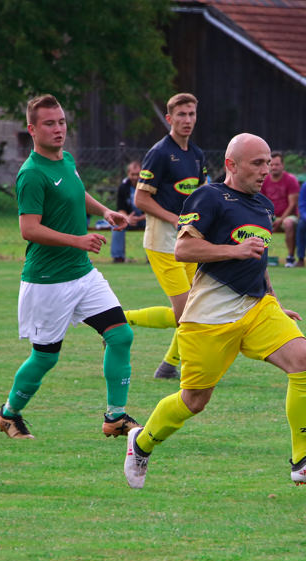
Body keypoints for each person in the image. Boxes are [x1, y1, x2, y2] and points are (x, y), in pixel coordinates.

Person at [123, 133, 306, 488]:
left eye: (268, 161)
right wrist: (234, 251)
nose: (267, 168)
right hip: (209, 318)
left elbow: (258, 261)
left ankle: (302, 460)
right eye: (257, 162)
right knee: (194, 401)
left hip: (257, 309)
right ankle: (142, 441)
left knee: (304, 362)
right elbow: (183, 250)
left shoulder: (263, 206)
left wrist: (274, 300)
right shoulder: (209, 196)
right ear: (232, 164)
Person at [0, 94, 139, 439]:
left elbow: (76, 193)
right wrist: (78, 239)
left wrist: (104, 211)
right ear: (32, 129)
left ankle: (115, 418)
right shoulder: (31, 174)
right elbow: (28, 228)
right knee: (45, 358)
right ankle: (9, 414)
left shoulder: (67, 159)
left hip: (83, 273)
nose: (58, 129)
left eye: (61, 122)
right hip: (48, 280)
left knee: (120, 335)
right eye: (49, 123)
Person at [123, 93, 208, 379]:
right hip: (162, 244)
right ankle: (121, 320)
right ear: (170, 119)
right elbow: (141, 199)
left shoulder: (197, 155)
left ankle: (168, 367)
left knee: (193, 309)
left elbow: (202, 197)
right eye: (181, 115)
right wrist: (174, 219)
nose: (187, 120)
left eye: (192, 114)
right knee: (187, 313)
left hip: (190, 244)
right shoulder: (160, 153)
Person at [260, 151, 300, 266]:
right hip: (270, 215)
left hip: (288, 216)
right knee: (256, 222)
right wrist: (269, 217)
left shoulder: (291, 180)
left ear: (282, 165)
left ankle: (290, 258)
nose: (274, 167)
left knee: (288, 223)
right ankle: (259, 257)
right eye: (271, 165)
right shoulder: (264, 180)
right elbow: (261, 202)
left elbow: (292, 204)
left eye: (277, 165)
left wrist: (280, 220)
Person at [110, 160, 145, 263]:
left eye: (138, 174)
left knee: (155, 223)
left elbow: (154, 209)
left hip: (145, 218)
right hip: (128, 218)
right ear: (128, 174)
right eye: (132, 174)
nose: (135, 177)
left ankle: (152, 258)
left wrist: (139, 218)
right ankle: (118, 257)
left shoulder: (148, 186)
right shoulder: (123, 187)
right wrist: (127, 218)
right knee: (116, 224)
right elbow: (120, 209)